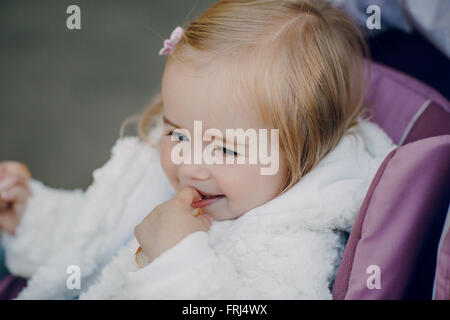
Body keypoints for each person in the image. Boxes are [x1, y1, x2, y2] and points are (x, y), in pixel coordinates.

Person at [0, 0, 396, 299]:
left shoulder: (293, 244)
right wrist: (33, 217)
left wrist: (176, 258)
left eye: (225, 149)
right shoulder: (182, 180)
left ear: (304, 153)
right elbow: (99, 236)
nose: (189, 167)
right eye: (178, 133)